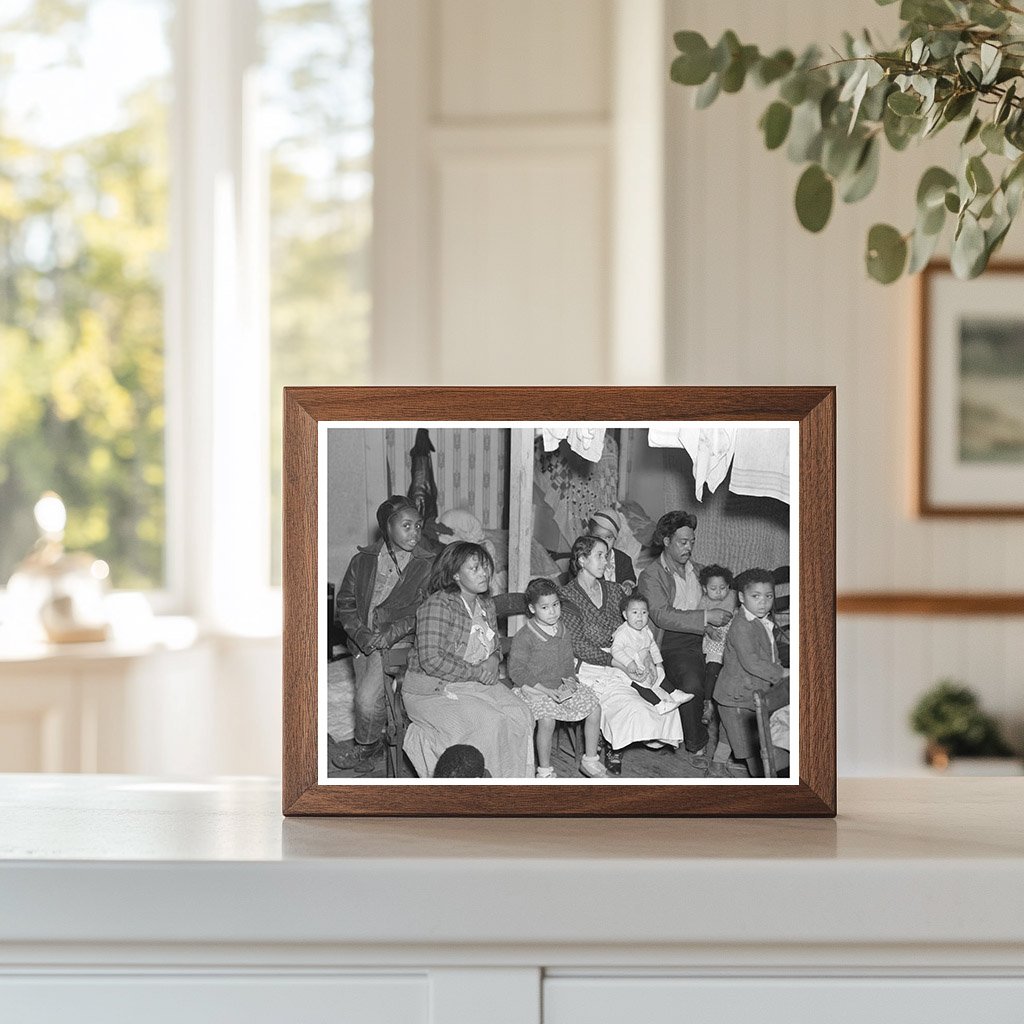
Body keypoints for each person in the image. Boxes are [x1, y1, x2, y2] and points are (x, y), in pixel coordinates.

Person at [402, 541, 536, 778]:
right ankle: (484, 791)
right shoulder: (438, 604)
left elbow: (493, 646)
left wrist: (494, 659)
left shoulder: (485, 604)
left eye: (485, 567)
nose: (484, 573)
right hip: (432, 688)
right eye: (474, 568)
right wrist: (477, 672)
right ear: (455, 574)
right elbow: (431, 659)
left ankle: (515, 786)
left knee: (521, 713)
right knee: (490, 722)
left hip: (474, 683)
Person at [559, 535, 683, 774]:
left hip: (624, 658)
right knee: (628, 704)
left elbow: (635, 626)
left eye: (607, 555)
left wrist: (645, 657)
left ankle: (630, 738)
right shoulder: (567, 597)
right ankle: (609, 746)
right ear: (582, 560)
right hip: (589, 666)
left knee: (663, 698)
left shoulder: (614, 591)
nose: (606, 561)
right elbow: (578, 645)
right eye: (600, 556)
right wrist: (617, 662)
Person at [333, 495, 435, 771]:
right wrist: (362, 636)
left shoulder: (426, 564)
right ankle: (377, 737)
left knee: (366, 698)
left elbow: (425, 608)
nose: (414, 532)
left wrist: (390, 634)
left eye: (418, 525)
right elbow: (345, 603)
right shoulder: (362, 560)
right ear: (387, 528)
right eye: (406, 525)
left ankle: (367, 747)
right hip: (361, 640)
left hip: (397, 641)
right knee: (368, 694)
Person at [637, 511, 733, 763]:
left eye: (692, 541)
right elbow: (660, 615)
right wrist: (705, 617)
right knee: (691, 683)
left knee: (738, 668)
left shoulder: (698, 571)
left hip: (704, 636)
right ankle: (697, 742)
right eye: (682, 542)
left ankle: (731, 742)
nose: (688, 547)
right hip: (671, 641)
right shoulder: (652, 575)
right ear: (666, 541)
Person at [508, 577, 608, 779]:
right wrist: (546, 691)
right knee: (547, 720)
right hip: (534, 688)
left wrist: (570, 683)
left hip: (561, 685)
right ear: (533, 608)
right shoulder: (525, 636)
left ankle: (590, 759)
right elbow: (516, 672)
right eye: (545, 607)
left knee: (595, 708)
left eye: (555, 605)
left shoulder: (563, 629)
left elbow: (566, 661)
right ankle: (544, 770)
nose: (552, 611)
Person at [713, 568, 789, 777]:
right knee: (752, 748)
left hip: (744, 692)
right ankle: (762, 779)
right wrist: (781, 673)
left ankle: (716, 765)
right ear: (741, 597)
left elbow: (770, 654)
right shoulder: (742, 626)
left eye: (768, 596)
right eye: (755, 596)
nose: (763, 602)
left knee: (730, 734)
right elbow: (752, 662)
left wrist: (777, 666)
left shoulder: (760, 620)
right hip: (737, 695)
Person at [611, 592, 690, 715]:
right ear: (625, 615)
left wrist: (659, 663)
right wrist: (629, 663)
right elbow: (615, 650)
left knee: (659, 674)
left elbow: (652, 646)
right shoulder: (623, 633)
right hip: (627, 666)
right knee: (641, 685)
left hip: (642, 661)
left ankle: (674, 693)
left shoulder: (646, 629)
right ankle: (659, 705)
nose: (640, 617)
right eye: (635, 612)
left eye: (644, 612)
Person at [587, 507, 636, 591]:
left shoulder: (623, 559)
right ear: (590, 536)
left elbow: (629, 577)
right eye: (597, 537)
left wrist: (627, 584)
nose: (603, 542)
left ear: (615, 538)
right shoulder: (585, 560)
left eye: (608, 537)